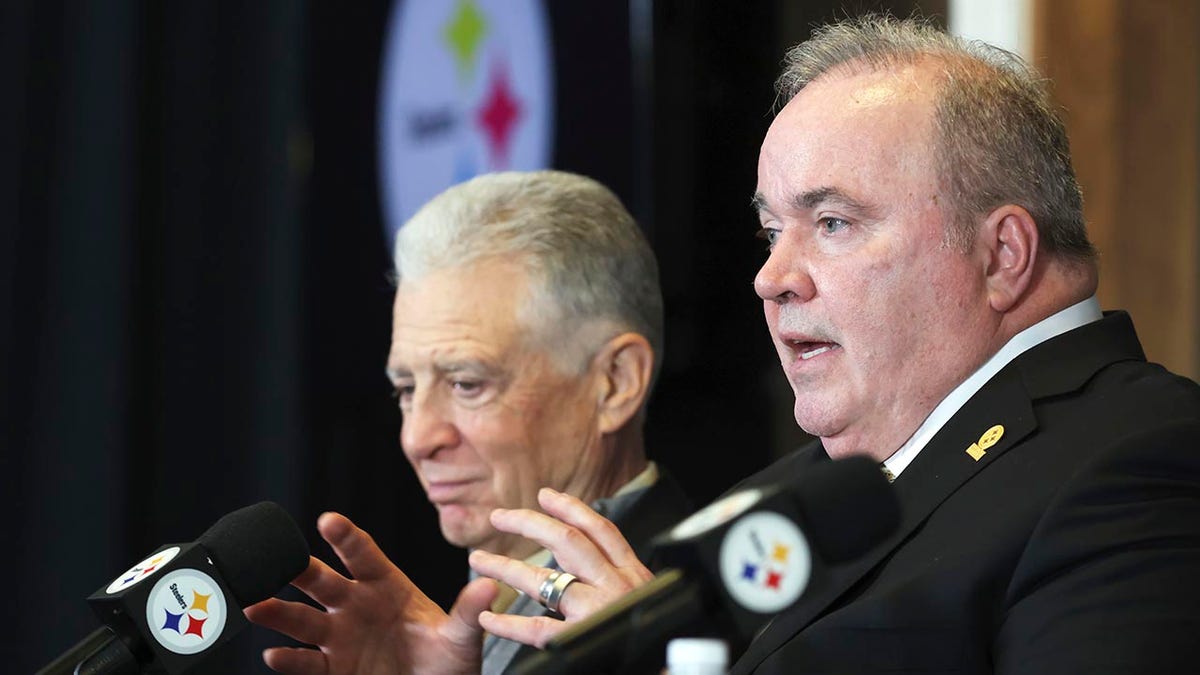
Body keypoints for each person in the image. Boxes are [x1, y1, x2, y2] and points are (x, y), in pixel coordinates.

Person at [469, 16, 1200, 673]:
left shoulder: (1144, 461)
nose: (771, 277)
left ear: (1002, 254)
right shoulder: (789, 495)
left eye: (832, 223)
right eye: (770, 231)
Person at [245, 170, 692, 674]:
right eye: (407, 390)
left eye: (467, 384)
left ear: (615, 382)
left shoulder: (702, 621)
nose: (418, 439)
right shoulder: (455, 632)